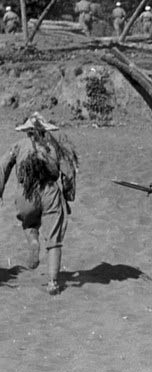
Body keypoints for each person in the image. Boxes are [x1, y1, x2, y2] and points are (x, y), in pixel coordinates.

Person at [0, 113, 78, 295]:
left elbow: (3, 167)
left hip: (25, 192)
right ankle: (52, 282)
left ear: (28, 131)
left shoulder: (19, 146)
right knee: (54, 238)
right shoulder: (55, 147)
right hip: (50, 192)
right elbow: (68, 173)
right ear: (44, 131)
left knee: (29, 223)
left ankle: (33, 240)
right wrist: (68, 194)